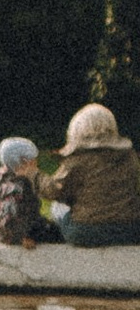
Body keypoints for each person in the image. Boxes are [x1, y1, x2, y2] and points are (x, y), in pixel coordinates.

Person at [50, 101, 140, 245]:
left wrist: (33, 176)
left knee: (57, 207)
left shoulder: (77, 160)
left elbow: (54, 191)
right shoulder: (130, 156)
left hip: (86, 232)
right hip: (130, 230)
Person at [0, 135, 55, 247]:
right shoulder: (16, 188)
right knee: (58, 233)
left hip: (22, 227)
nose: (37, 165)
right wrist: (20, 238)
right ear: (24, 162)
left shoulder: (4, 181)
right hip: (20, 232)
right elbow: (9, 217)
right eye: (34, 161)